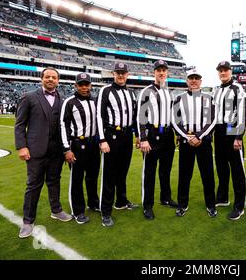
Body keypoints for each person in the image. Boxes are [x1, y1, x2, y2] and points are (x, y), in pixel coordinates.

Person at [15, 67, 72, 239]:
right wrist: (21, 147)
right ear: (42, 79)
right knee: (33, 185)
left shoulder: (63, 99)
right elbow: (19, 124)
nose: (50, 79)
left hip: (56, 152)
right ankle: (28, 221)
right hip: (35, 151)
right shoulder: (29, 97)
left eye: (54, 77)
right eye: (47, 77)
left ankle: (56, 210)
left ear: (58, 80)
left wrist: (66, 148)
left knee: (54, 182)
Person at [97, 62, 139, 227]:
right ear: (113, 74)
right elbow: (99, 116)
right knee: (109, 176)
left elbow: (135, 116)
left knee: (122, 173)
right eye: (118, 72)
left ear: (127, 74)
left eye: (123, 73)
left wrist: (137, 135)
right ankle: (105, 211)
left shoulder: (131, 93)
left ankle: (121, 201)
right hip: (111, 136)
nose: (121, 75)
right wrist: (102, 139)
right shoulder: (105, 91)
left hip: (127, 136)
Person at [172, 67, 217, 218]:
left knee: (208, 175)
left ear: (200, 81)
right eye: (191, 78)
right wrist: (186, 136)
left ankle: (211, 205)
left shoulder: (208, 98)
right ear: (187, 81)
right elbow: (175, 121)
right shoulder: (179, 98)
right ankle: (182, 205)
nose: (194, 81)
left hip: (203, 142)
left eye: (196, 78)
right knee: (184, 175)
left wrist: (199, 136)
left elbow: (213, 121)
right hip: (186, 142)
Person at [137, 60, 178, 220]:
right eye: (158, 70)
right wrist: (143, 138)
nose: (161, 73)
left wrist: (176, 133)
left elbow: (174, 116)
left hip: (167, 135)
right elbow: (140, 116)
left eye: (164, 70)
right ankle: (147, 205)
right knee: (149, 172)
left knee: (165, 171)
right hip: (152, 135)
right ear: (153, 72)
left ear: (167, 72)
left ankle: (165, 198)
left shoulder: (169, 92)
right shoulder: (146, 91)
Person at [60, 72, 100, 225]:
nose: (84, 87)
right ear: (75, 86)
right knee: (77, 179)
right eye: (81, 84)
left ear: (90, 85)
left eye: (87, 84)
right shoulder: (69, 102)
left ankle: (93, 202)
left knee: (92, 176)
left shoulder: (95, 101)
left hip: (93, 144)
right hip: (77, 144)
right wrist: (66, 149)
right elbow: (63, 125)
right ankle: (78, 211)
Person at [213, 60, 246, 220]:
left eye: (225, 70)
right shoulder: (216, 90)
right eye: (220, 70)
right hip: (219, 131)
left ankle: (239, 205)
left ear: (230, 71)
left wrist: (238, 136)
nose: (223, 73)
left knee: (237, 171)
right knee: (221, 167)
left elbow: (243, 114)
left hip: (232, 129)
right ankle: (222, 197)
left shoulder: (238, 88)